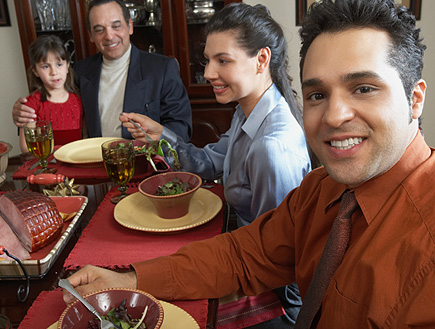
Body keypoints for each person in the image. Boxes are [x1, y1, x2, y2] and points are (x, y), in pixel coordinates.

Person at [62, 0, 434, 328]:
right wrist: (129, 280)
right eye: (318, 94)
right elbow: (244, 255)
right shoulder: (321, 191)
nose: (334, 116)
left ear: (415, 99)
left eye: (364, 88)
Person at [121, 3, 311, 327]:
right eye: (208, 59)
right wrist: (161, 138)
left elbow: (276, 259)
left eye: (222, 60)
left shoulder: (272, 148)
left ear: (261, 60)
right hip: (242, 254)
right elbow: (210, 162)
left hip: (272, 296)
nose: (208, 72)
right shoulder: (247, 109)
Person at [12, 0, 192, 142]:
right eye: (99, 30)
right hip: (94, 166)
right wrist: (23, 115)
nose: (109, 36)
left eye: (116, 26)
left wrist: (153, 139)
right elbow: (52, 107)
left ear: (129, 26)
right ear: (90, 35)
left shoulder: (161, 68)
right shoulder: (80, 71)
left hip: (145, 166)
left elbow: (182, 128)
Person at [19, 34, 82, 152]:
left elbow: (85, 137)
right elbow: (26, 148)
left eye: (59, 64)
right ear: (35, 71)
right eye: (45, 66)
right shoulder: (31, 106)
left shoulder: (79, 100)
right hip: (46, 165)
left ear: (67, 66)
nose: (54, 72)